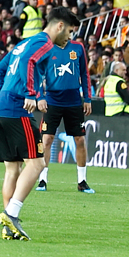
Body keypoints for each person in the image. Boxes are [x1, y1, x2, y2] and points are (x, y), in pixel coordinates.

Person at [0, 7, 79, 241]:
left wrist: (3, 95)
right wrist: (30, 93)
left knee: (13, 169)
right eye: (69, 32)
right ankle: (12, 214)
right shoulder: (44, 43)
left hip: (0, 109)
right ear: (59, 26)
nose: (70, 38)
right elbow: (29, 62)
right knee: (38, 163)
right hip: (17, 109)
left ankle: (8, 227)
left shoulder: (23, 43)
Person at [35, 37, 94, 194]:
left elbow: (84, 73)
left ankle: (82, 181)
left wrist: (87, 98)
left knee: (80, 140)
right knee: (46, 139)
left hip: (74, 101)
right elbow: (37, 74)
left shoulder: (78, 47)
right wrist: (40, 97)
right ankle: (42, 180)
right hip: (52, 101)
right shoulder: (46, 49)